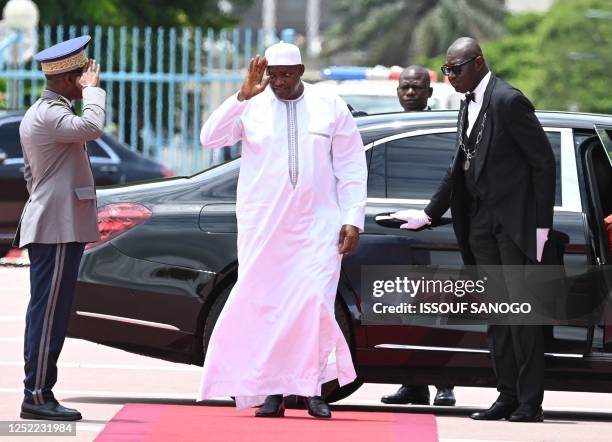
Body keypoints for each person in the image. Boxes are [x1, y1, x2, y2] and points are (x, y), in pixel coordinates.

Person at [197, 41, 367, 419]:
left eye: (286, 75)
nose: (278, 82)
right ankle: (271, 390)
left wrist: (352, 217)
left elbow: (351, 165)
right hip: (264, 225)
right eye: (273, 75)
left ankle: (312, 389)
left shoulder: (329, 105)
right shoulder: (252, 105)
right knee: (269, 308)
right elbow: (210, 137)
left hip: (318, 226)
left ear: (302, 70)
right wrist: (240, 96)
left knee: (313, 306)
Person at [394, 37, 555, 422]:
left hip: (514, 226)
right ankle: (506, 396)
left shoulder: (508, 100)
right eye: (447, 70)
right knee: (497, 316)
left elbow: (544, 164)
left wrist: (541, 226)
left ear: (479, 63)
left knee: (520, 315)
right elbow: (458, 168)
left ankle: (530, 402)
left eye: (456, 69)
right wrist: (430, 213)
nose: (450, 77)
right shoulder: (467, 103)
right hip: (480, 224)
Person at [14, 36, 105, 421]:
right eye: (82, 75)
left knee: (51, 312)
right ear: (70, 80)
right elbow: (92, 126)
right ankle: (36, 394)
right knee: (48, 314)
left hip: (58, 224)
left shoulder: (48, 110)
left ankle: (40, 392)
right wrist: (95, 92)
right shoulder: (51, 114)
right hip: (55, 227)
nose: (88, 80)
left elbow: (31, 175)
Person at [381, 65, 456, 408]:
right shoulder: (391, 127)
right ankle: (412, 385)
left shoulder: (441, 127)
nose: (409, 93)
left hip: (435, 227)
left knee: (440, 307)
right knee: (404, 308)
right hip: (398, 231)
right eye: (405, 88)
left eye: (416, 88)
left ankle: (444, 384)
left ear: (429, 92)